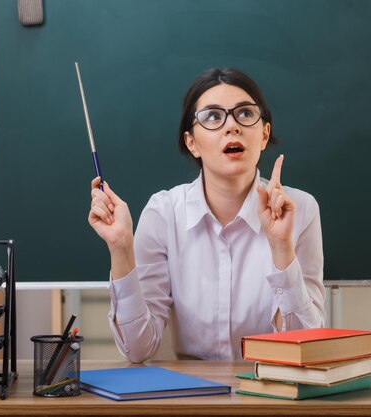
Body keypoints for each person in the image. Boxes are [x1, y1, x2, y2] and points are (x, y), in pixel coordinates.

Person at [88, 68, 325, 363]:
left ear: (264, 134)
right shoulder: (163, 214)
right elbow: (138, 349)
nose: (232, 127)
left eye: (245, 114)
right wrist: (121, 248)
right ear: (192, 142)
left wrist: (282, 250)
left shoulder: (300, 209)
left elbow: (306, 345)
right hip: (190, 401)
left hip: (270, 395)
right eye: (213, 116)